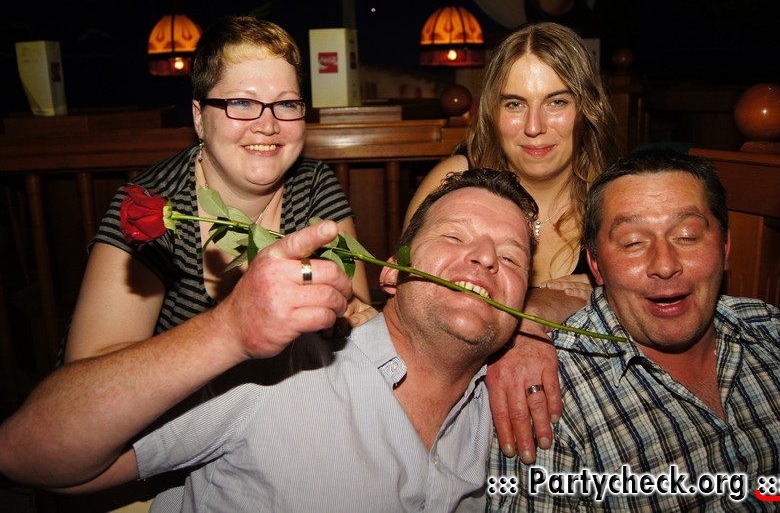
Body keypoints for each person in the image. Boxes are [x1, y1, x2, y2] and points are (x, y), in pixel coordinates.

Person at [0, 168, 539, 512]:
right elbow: (25, 454)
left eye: (511, 257)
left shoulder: (518, 409)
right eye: (454, 235)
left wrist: (542, 323)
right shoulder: (283, 365)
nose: (485, 257)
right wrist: (226, 331)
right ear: (392, 272)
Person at [55, 15, 374, 509]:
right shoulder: (151, 204)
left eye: (286, 104)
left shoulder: (315, 186)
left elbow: (354, 330)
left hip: (271, 445)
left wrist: (350, 316)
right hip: (148, 463)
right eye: (241, 102)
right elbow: (86, 390)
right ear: (200, 117)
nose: (268, 124)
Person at [487, 148, 780, 511]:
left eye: (687, 236)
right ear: (595, 264)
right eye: (633, 242)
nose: (664, 265)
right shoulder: (552, 399)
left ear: (725, 247)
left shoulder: (776, 334)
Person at [404, 21, 620, 464]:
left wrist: (596, 299)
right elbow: (408, 309)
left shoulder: (616, 199)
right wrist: (530, 316)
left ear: (586, 108)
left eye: (556, 102)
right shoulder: (450, 186)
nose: (534, 127)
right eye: (515, 104)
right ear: (492, 112)